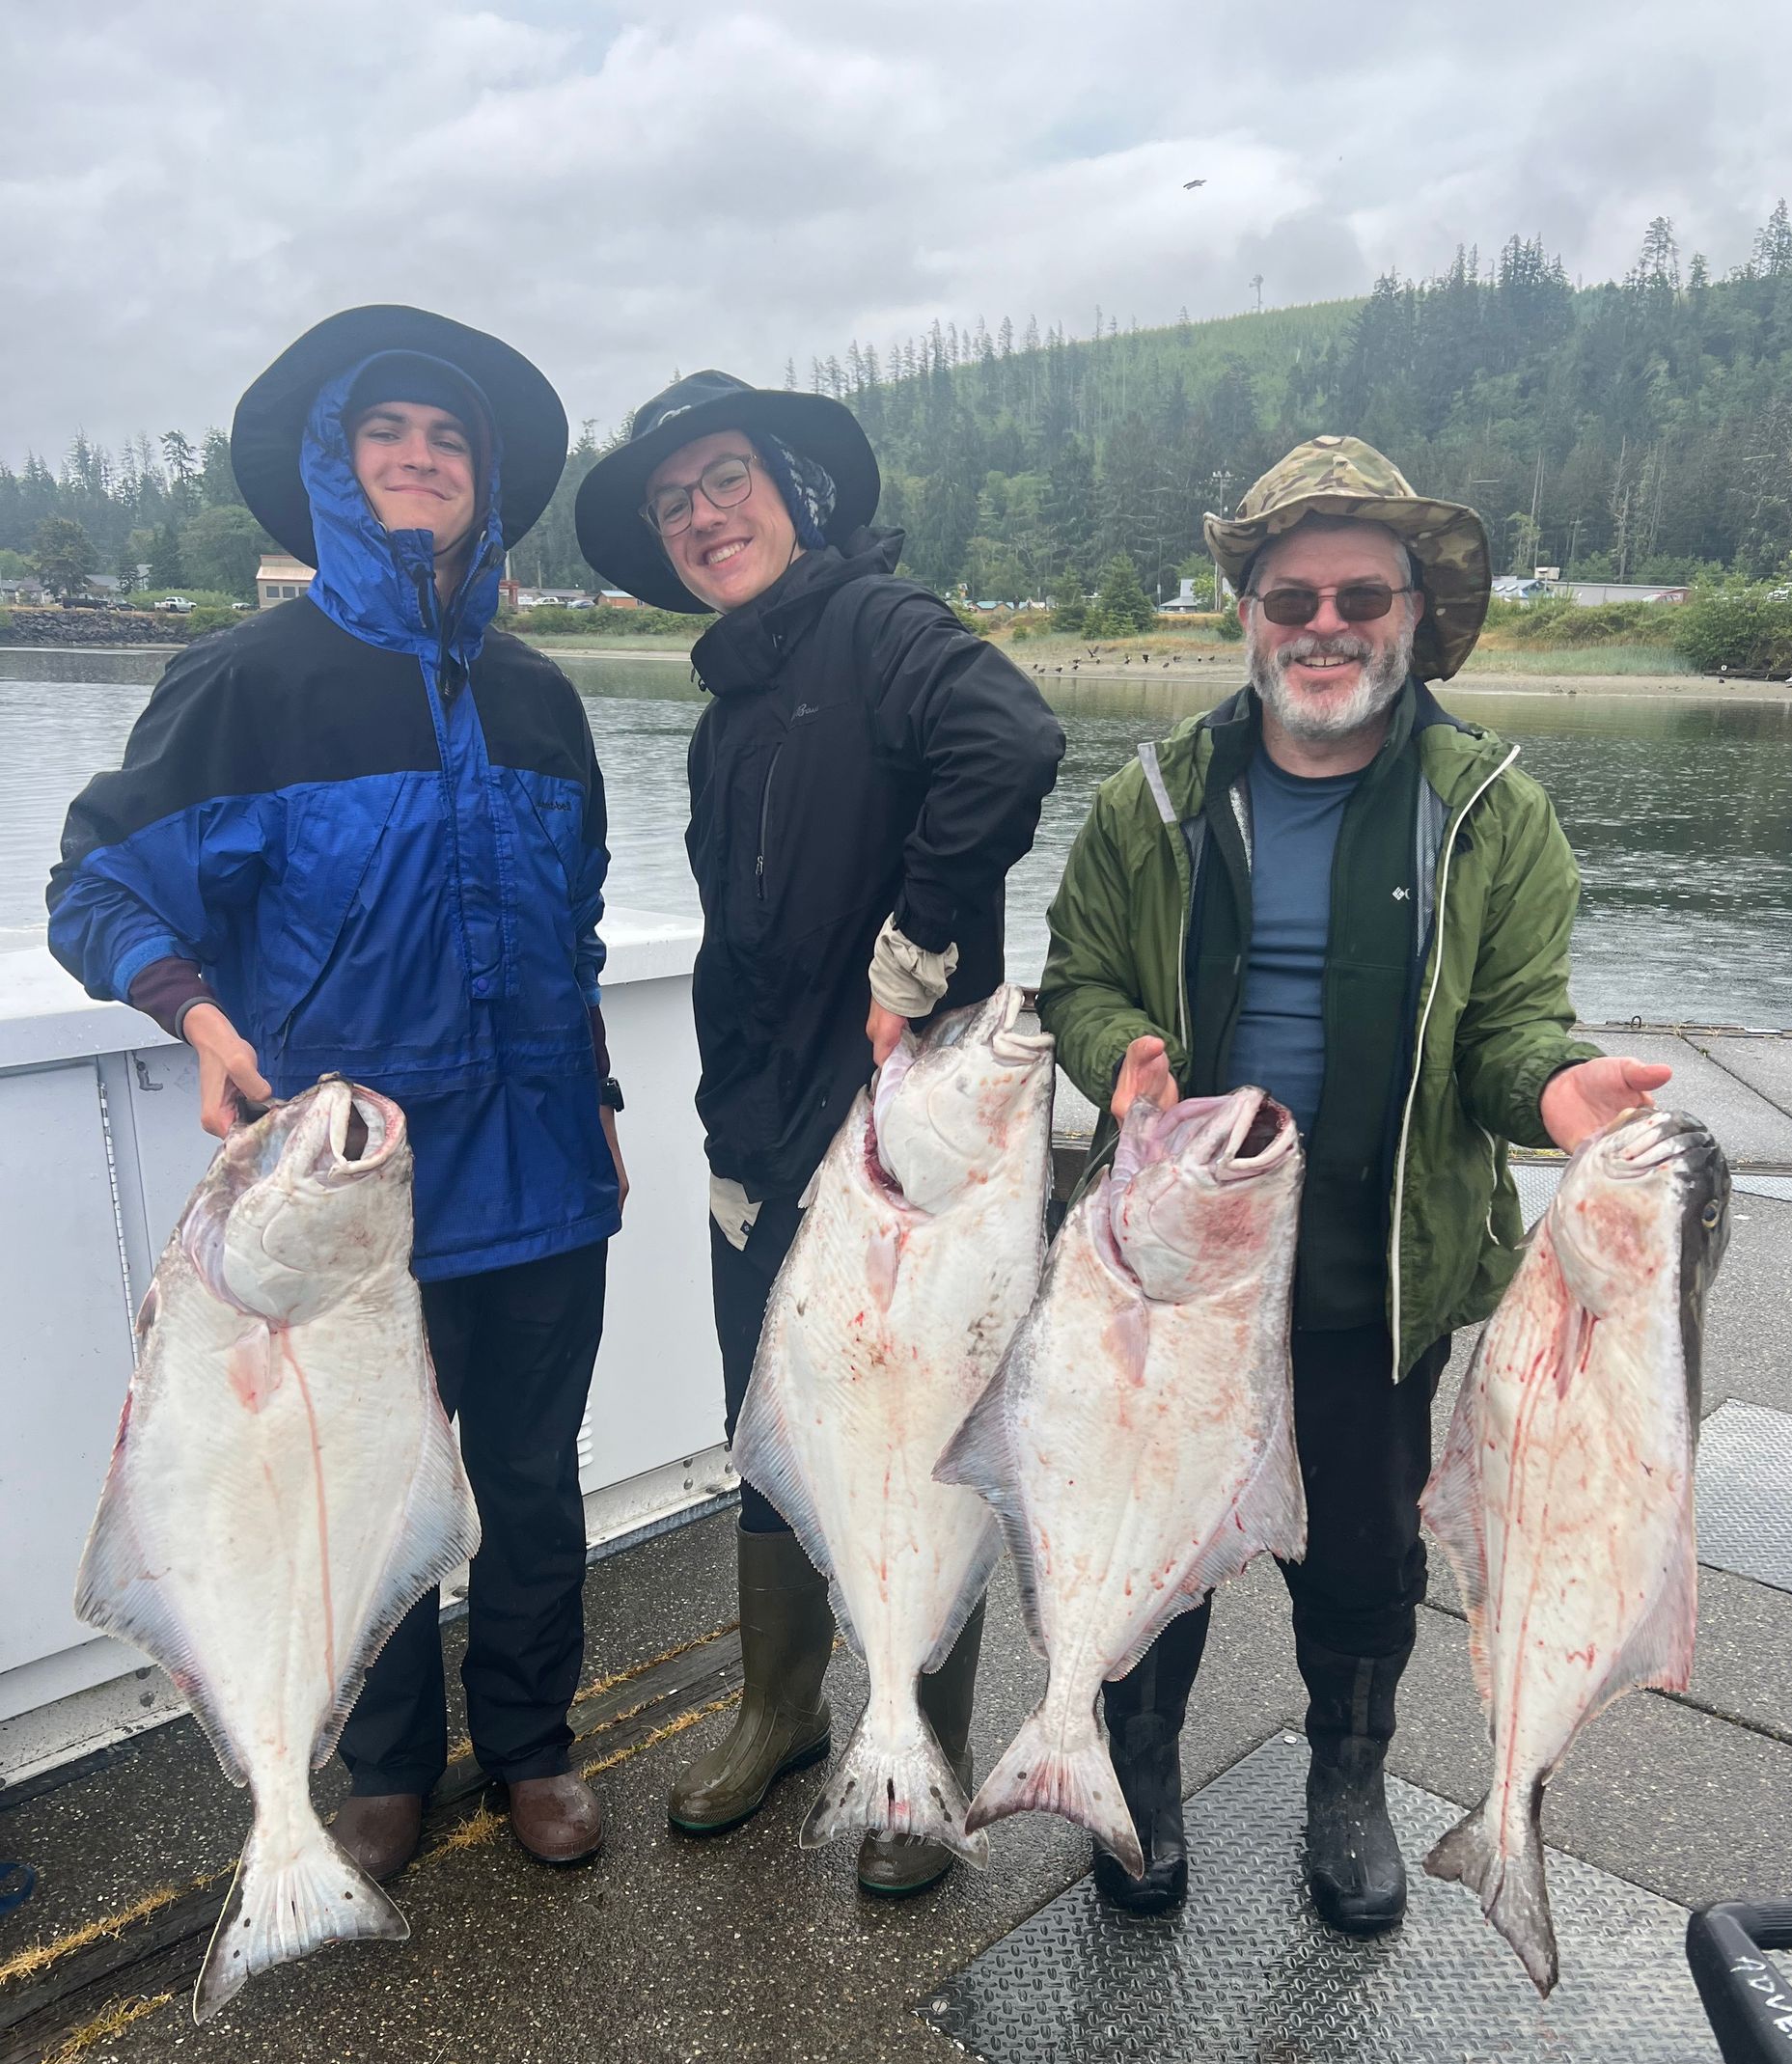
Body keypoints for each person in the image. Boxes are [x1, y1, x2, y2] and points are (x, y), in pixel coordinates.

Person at [1040, 435, 1670, 1923]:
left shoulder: (1493, 809)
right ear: (1248, 613)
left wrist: (1557, 1089)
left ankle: (1349, 1778)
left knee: (1366, 1550)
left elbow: (1514, 1025)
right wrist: (1118, 1047)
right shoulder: (1152, 797)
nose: (1324, 624)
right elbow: (1073, 976)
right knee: (1161, 1534)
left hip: (1374, 1261)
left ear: (1411, 613)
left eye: (1358, 595)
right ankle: (1133, 1768)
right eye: (1290, 595)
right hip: (1179, 1256)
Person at [47, 306, 626, 1882]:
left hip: (544, 1177)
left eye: (449, 439)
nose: (421, 458)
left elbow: (568, 926)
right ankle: (381, 1760)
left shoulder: (541, 696)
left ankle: (531, 1743)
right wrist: (195, 1012)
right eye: (389, 435)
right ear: (334, 469)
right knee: (352, 1486)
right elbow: (97, 885)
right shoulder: (248, 680)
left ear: (483, 479)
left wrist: (606, 1086)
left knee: (526, 1482)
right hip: (347, 1198)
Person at [575, 372, 1063, 1894]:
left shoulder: (885, 627)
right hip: (764, 1144)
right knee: (776, 1435)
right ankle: (782, 1711)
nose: (703, 517)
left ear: (794, 486)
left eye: (725, 481)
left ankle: (922, 1755)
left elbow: (1013, 741)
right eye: (673, 504)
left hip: (913, 1154)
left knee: (932, 1439)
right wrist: (728, 1131)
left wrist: (912, 958)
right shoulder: (729, 701)